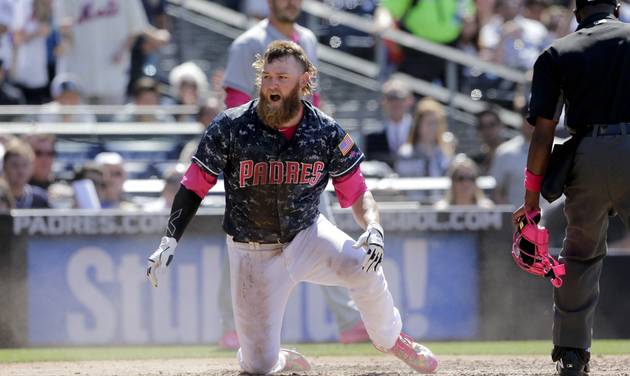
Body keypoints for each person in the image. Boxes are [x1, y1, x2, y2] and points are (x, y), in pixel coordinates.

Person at [146, 41, 439, 374]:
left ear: (304, 81)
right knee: (258, 367)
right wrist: (169, 239)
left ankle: (392, 339)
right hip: (251, 251)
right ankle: (281, 358)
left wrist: (373, 226)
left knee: (364, 266)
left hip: (308, 235)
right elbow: (194, 184)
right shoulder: (230, 126)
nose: (272, 84)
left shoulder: (325, 131)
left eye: (282, 77)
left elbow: (357, 192)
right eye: (267, 76)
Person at [219, 0, 369, 349]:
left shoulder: (309, 40)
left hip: (300, 157)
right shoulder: (247, 44)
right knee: (241, 238)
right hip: (256, 164)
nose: (290, 2)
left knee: (323, 224)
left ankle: (349, 321)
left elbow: (310, 98)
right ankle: (230, 326)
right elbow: (234, 102)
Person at [512, 1, 630, 375]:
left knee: (579, 256)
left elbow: (543, 132)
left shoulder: (556, 53)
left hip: (588, 155)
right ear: (615, 7)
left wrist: (531, 200)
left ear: (578, 12)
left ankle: (572, 355)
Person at [364, 78, 415, 167]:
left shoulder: (420, 131)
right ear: (383, 101)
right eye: (391, 98)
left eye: (400, 97)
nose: (395, 102)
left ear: (410, 100)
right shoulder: (372, 137)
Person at [2, 138, 50, 209]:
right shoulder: (1, 197)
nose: (20, 171)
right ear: (5, 167)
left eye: (25, 165)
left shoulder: (39, 198)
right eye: (15, 165)